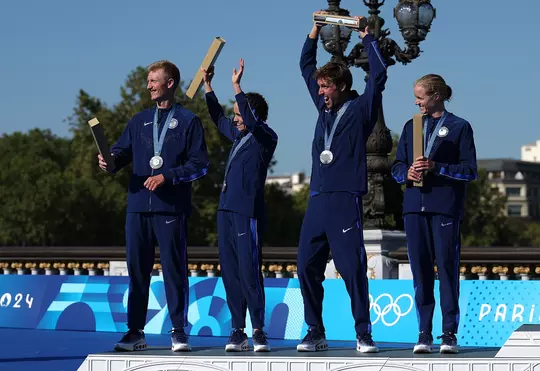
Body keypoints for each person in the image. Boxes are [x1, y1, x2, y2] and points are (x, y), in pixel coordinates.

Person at [97, 60, 209, 352]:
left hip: (171, 209)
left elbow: (200, 165)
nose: (148, 86)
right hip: (137, 208)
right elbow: (120, 153)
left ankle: (178, 330)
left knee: (174, 270)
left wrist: (167, 176)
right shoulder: (138, 120)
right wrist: (109, 161)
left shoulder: (188, 121)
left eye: (153, 81)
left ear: (169, 83)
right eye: (148, 81)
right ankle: (135, 332)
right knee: (136, 271)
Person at [296, 12, 387, 353]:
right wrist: (314, 32)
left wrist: (367, 36)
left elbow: (378, 74)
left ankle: (363, 333)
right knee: (305, 265)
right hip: (318, 198)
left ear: (342, 86)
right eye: (319, 87)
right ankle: (315, 331)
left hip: (346, 199)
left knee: (351, 269)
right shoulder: (323, 111)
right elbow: (305, 66)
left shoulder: (362, 108)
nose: (320, 92)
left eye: (326, 86)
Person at [391, 74, 477, 354]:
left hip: (445, 209)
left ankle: (449, 333)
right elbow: (396, 167)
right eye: (416, 97)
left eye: (421, 97)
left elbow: (470, 171)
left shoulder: (459, 127)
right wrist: (407, 172)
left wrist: (436, 167)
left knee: (448, 271)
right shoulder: (411, 126)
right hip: (414, 207)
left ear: (437, 95)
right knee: (420, 272)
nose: (417, 102)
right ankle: (424, 332)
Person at [201, 59, 278, 352]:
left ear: (251, 113)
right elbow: (217, 118)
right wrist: (209, 86)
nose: (235, 119)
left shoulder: (265, 137)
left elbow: (250, 119)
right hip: (226, 211)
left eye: (239, 114)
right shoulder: (238, 136)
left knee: (249, 270)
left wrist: (237, 87)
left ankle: (258, 329)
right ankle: (238, 330)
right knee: (231, 272)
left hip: (248, 213)